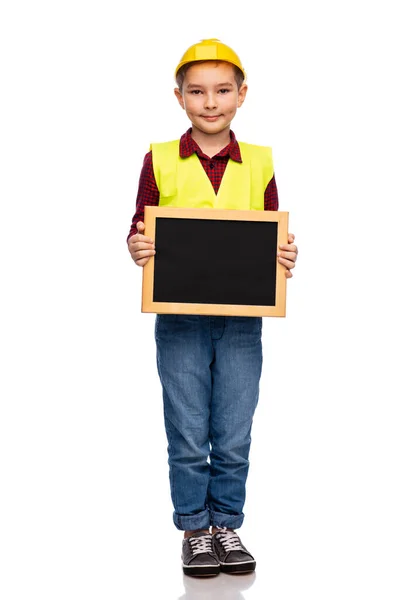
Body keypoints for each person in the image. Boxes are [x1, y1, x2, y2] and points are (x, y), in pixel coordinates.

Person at [127, 39, 298, 577]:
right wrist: (135, 246)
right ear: (179, 98)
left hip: (243, 320)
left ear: (242, 95)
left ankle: (227, 523)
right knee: (186, 426)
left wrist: (284, 253)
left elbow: (270, 229)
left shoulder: (260, 162)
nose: (210, 102)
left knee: (232, 429)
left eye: (222, 91)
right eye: (196, 92)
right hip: (178, 317)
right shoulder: (159, 159)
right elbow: (139, 226)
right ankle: (195, 530)